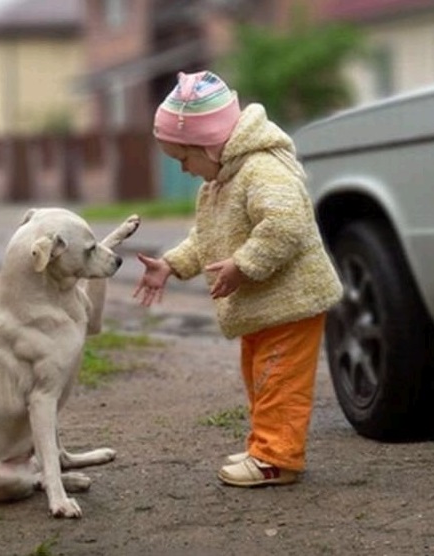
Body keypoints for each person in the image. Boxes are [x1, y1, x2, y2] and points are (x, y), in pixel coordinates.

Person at [133, 70, 343, 488]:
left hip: (291, 301)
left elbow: (286, 223)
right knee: (261, 378)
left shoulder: (261, 169)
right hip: (264, 306)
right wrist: (172, 264)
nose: (185, 170)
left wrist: (243, 264)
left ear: (209, 144)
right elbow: (207, 238)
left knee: (278, 379)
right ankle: (265, 444)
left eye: (183, 159)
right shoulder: (219, 181)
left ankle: (276, 458)